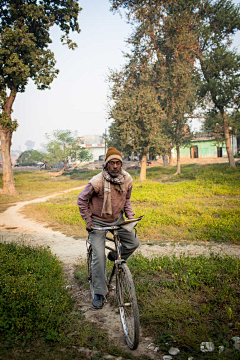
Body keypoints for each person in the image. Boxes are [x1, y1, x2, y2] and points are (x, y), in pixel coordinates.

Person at [77, 147, 140, 309]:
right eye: (111, 163)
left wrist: (131, 217)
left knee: (133, 243)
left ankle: (114, 255)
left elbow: (126, 201)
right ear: (106, 165)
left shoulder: (127, 179)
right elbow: (82, 200)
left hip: (118, 219)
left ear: (121, 164)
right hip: (97, 222)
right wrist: (88, 220)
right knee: (99, 257)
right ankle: (99, 292)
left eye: (118, 163)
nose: (115, 166)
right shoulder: (97, 182)